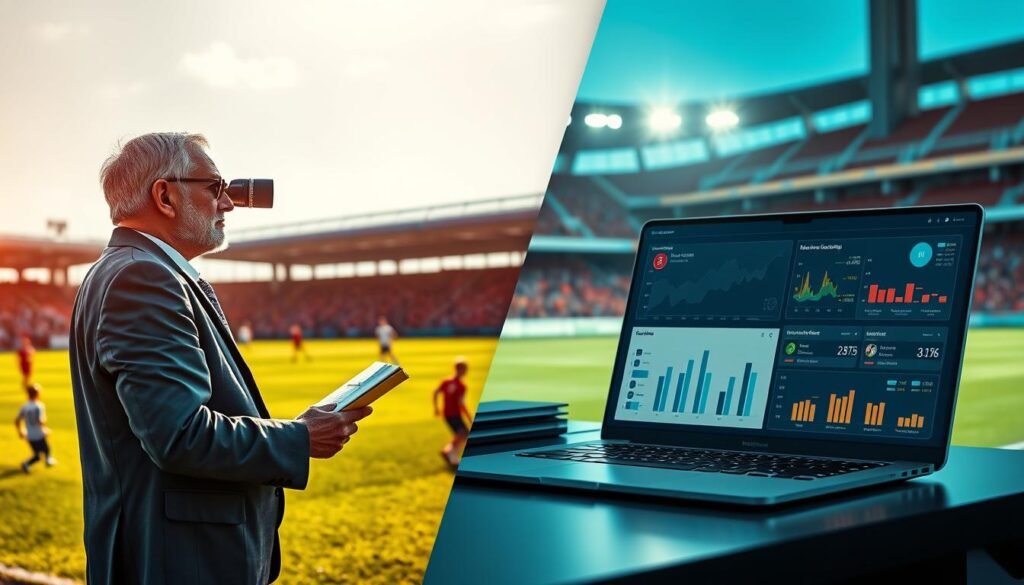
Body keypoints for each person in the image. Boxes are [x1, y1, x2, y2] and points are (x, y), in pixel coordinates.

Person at [70, 132, 372, 584]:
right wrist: (299, 438)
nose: (228, 203)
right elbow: (179, 434)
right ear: (165, 196)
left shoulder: (129, 269)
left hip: (169, 551)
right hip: (183, 559)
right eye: (215, 188)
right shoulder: (144, 277)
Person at [433, 357, 471, 467]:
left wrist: (436, 408)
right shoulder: (462, 386)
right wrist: (469, 417)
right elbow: (461, 403)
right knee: (463, 433)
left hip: (447, 414)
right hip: (455, 413)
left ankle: (449, 453)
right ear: (463, 370)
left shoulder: (446, 381)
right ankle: (450, 454)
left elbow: (435, 393)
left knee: (461, 434)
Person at [15, 383, 56, 473]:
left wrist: (20, 431)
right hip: (38, 434)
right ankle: (48, 460)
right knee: (47, 449)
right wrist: (45, 430)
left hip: (29, 435)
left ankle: (26, 464)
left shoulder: (25, 406)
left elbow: (17, 420)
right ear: (37, 394)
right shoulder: (39, 406)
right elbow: (40, 421)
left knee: (37, 455)